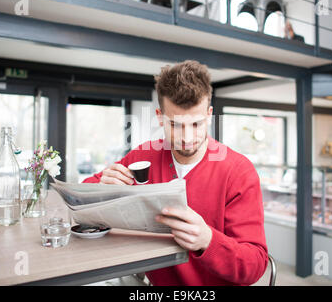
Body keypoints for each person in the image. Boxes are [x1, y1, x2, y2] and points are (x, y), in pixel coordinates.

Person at [82, 60, 268, 286]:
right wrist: (101, 188)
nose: (187, 138)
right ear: (160, 116)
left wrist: (209, 240)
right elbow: (82, 196)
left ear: (209, 115)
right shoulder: (143, 156)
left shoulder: (238, 172)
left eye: (196, 124)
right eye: (176, 125)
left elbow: (255, 265)